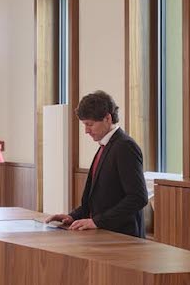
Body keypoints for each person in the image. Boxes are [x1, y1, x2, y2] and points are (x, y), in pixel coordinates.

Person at [45, 90, 148, 236]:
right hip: (107, 234)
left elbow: (138, 198)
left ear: (107, 118)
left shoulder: (125, 146)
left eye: (90, 124)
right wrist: (72, 216)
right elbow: (99, 199)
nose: (86, 131)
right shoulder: (106, 146)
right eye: (84, 125)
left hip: (123, 237)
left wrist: (97, 221)